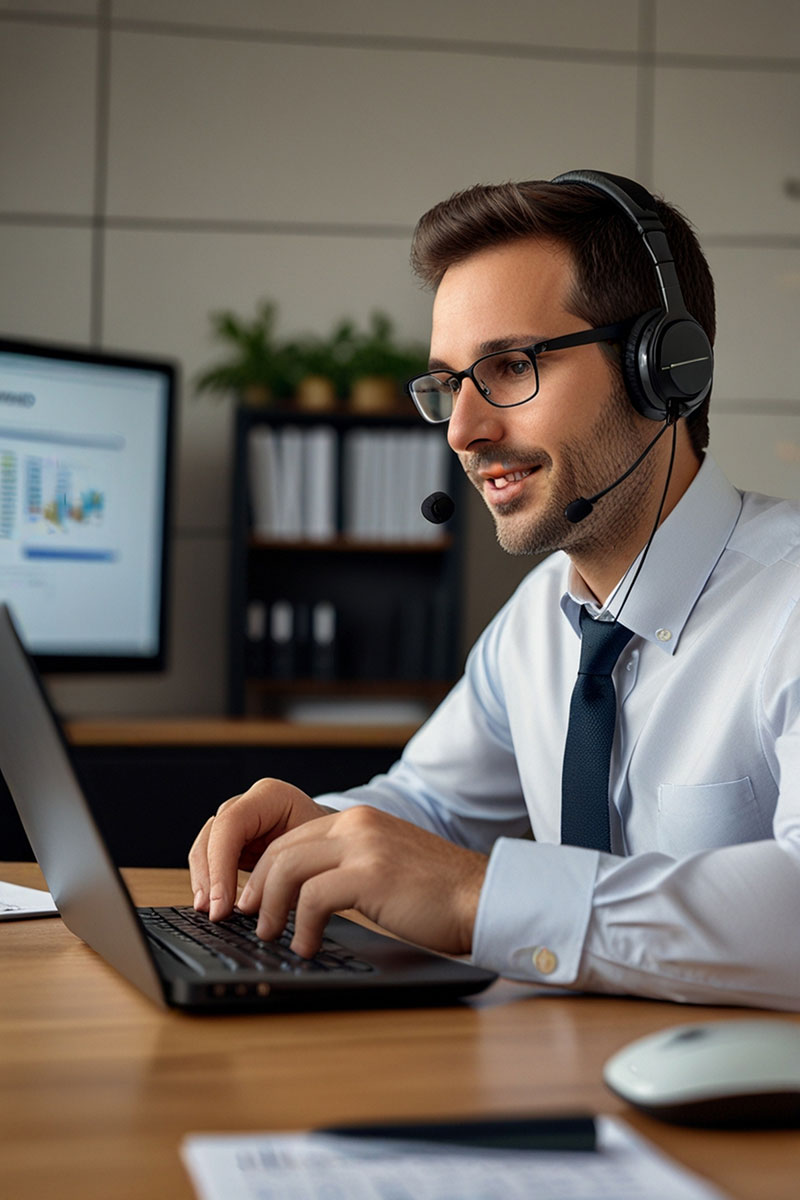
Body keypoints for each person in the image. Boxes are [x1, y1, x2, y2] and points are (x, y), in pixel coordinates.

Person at [190, 171, 800, 1010]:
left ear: (665, 369)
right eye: (449, 384)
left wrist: (476, 896)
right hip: (565, 1081)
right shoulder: (542, 620)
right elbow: (430, 806)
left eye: (510, 366)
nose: (465, 432)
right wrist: (315, 829)